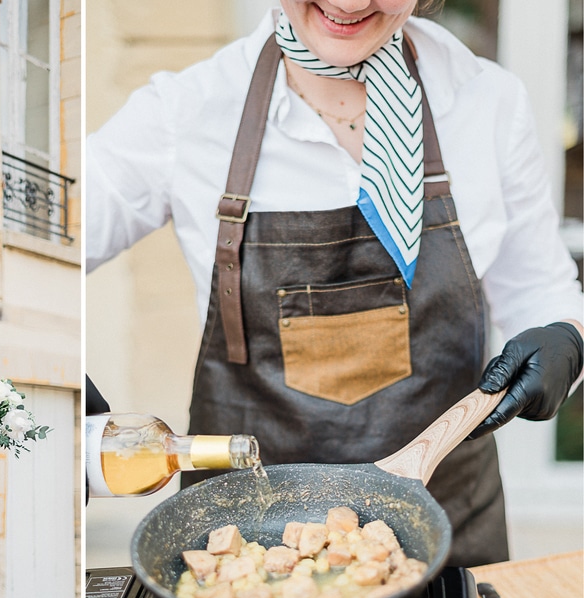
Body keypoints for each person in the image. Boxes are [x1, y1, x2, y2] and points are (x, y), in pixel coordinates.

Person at [86, 1, 584, 566]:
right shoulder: (184, 112)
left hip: (449, 533)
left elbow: (542, 292)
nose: (348, 2)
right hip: (240, 559)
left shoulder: (488, 102)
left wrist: (564, 337)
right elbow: (51, 230)